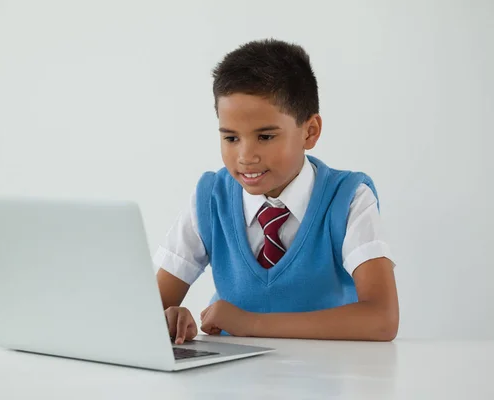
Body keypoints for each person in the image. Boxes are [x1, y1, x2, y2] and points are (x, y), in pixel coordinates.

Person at [154, 39, 398, 343]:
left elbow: (381, 320)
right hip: (232, 384)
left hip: (323, 378)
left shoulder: (348, 198)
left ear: (310, 132)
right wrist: (168, 318)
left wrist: (251, 323)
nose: (245, 156)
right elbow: (147, 311)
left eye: (265, 136)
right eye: (231, 138)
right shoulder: (210, 198)